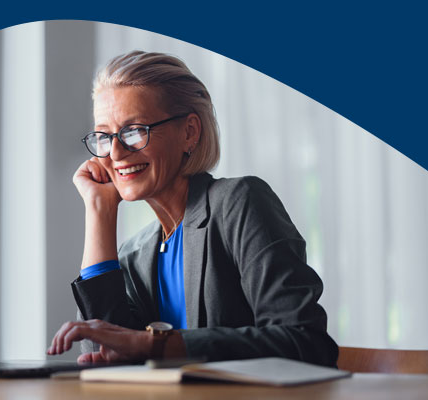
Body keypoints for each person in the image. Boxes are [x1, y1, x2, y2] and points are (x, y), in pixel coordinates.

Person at [47, 51, 338, 366]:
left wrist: (152, 344)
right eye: (104, 136)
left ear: (189, 132)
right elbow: (100, 356)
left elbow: (305, 342)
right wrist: (98, 212)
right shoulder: (136, 254)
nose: (116, 152)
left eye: (134, 131)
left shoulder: (240, 202)